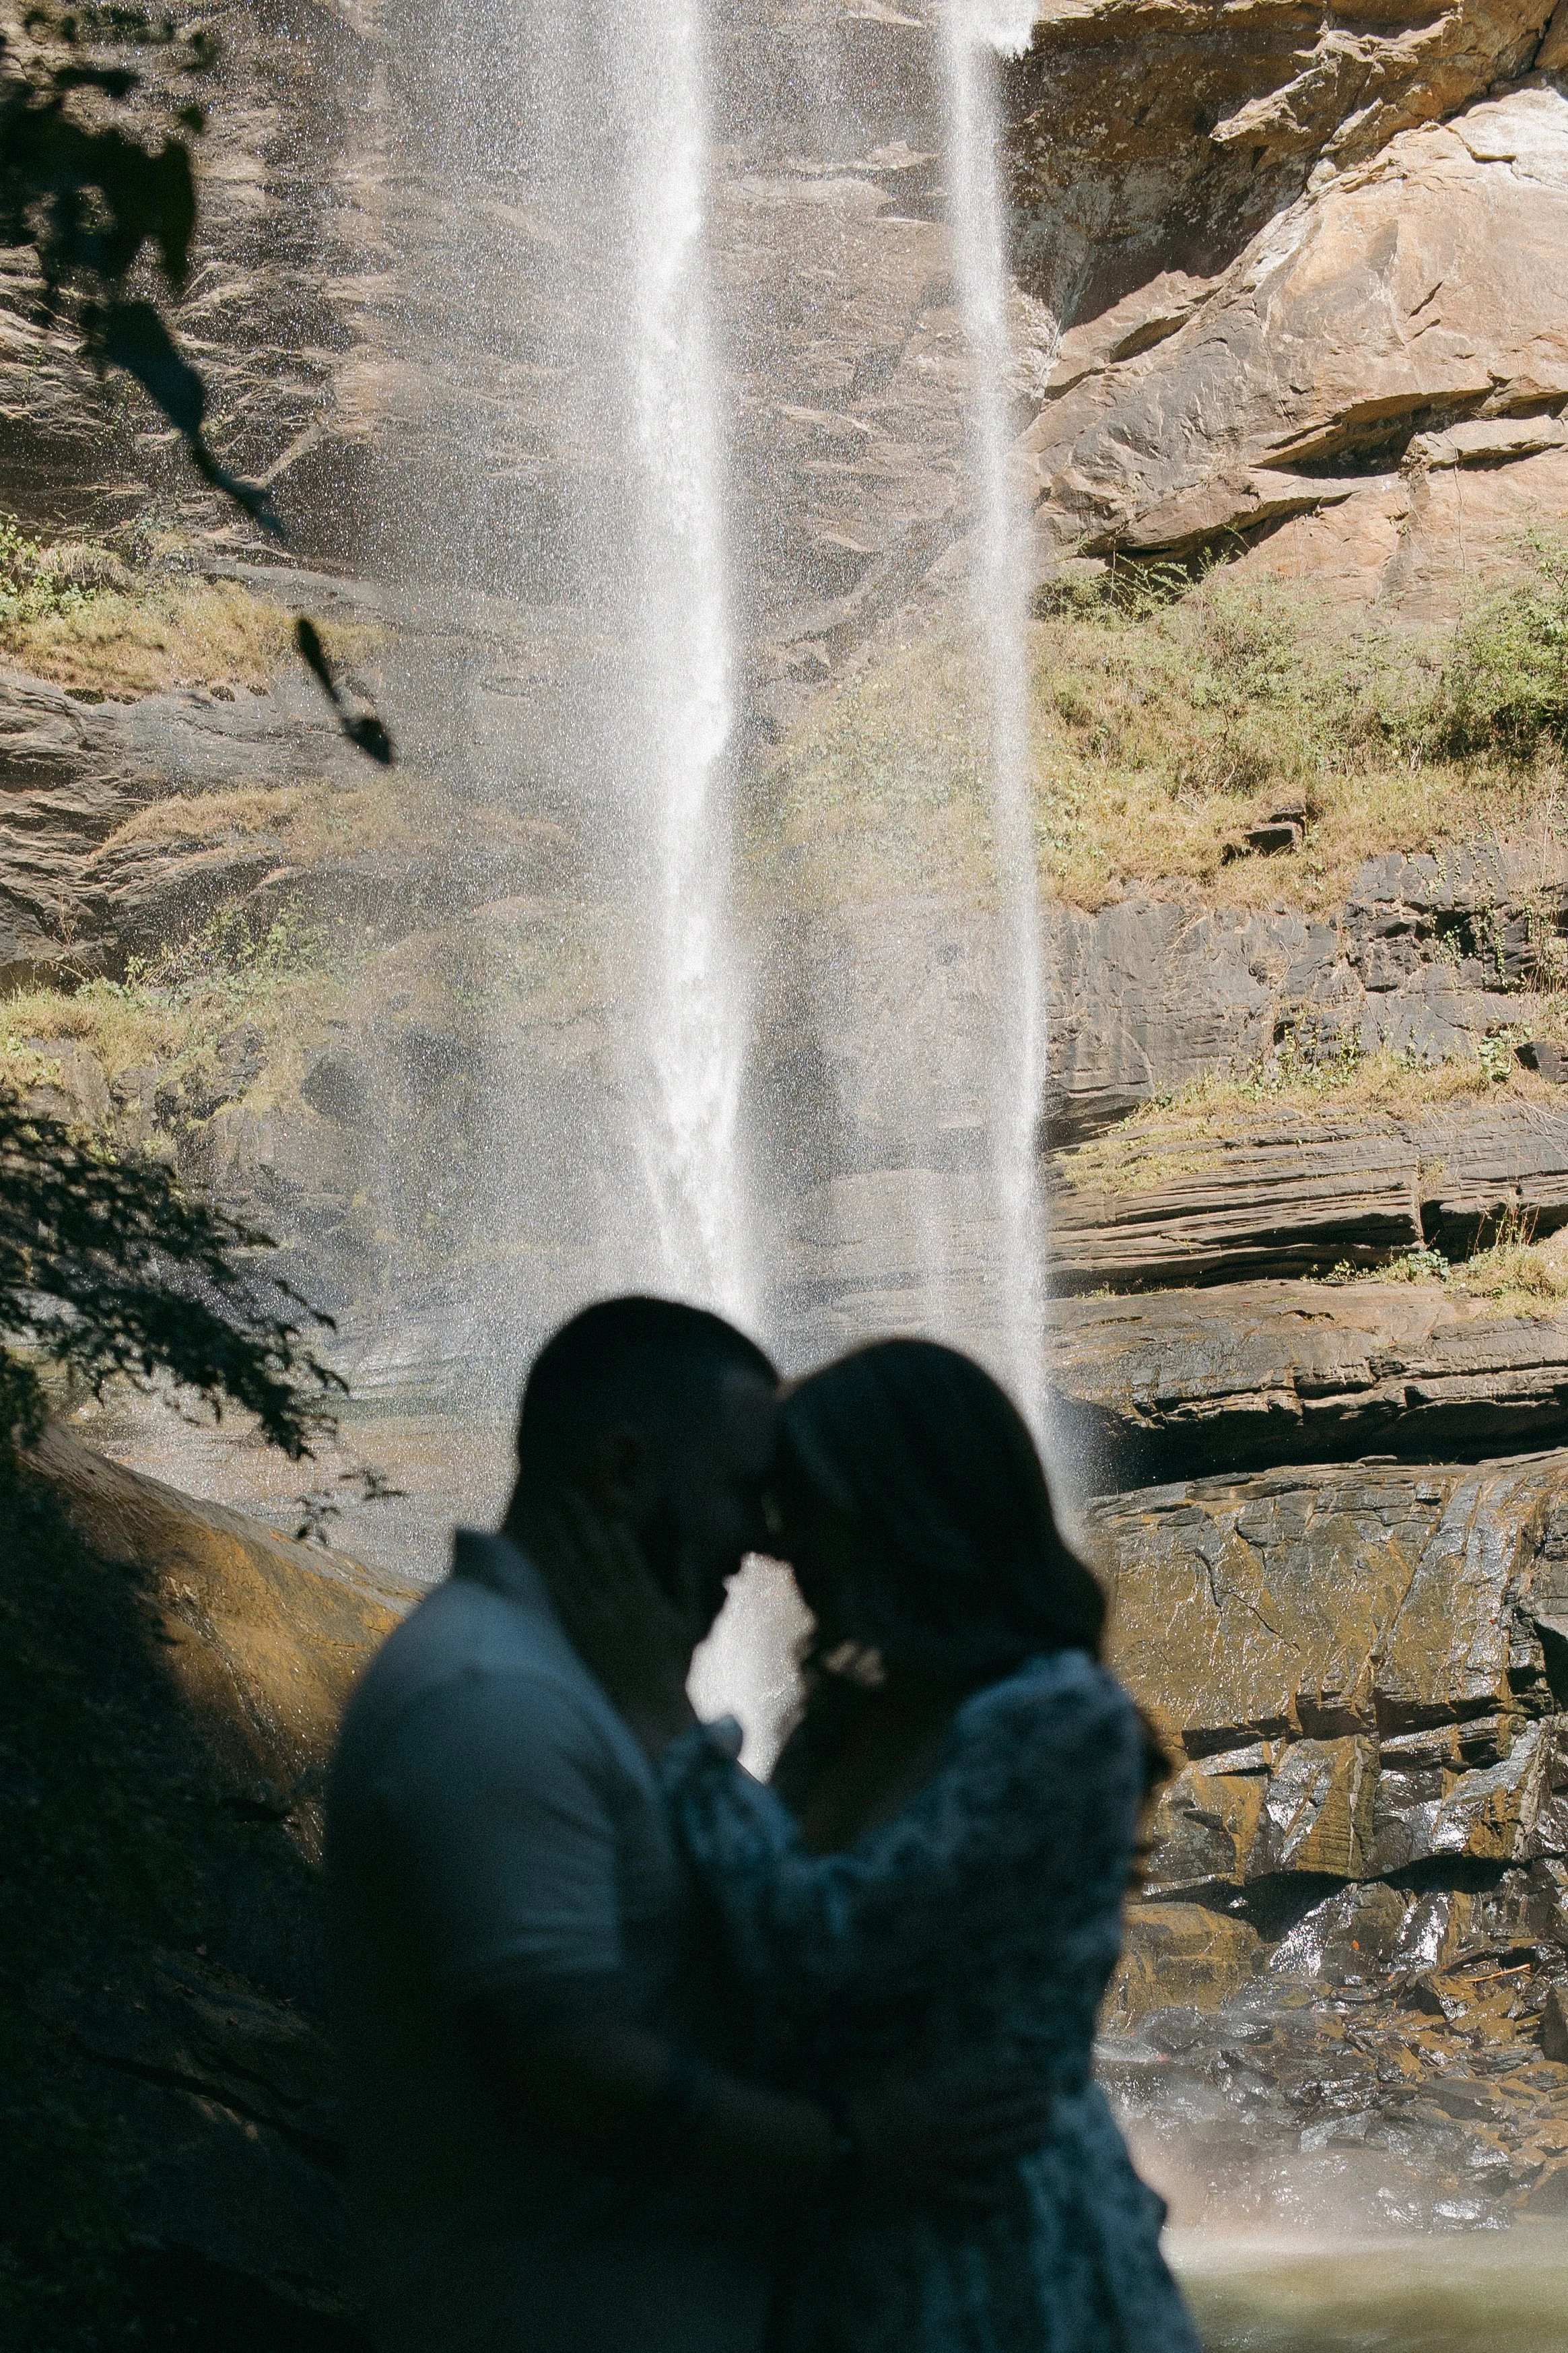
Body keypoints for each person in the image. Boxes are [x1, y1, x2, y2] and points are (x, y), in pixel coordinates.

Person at [326, 1298, 1052, 2353]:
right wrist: (856, 2153)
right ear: (624, 1473)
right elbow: (573, 2069)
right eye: (745, 1492)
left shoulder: (583, 1690)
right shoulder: (495, 1700)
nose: (765, 1543)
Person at [570, 1335, 1200, 2353]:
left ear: (903, 1503)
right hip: (849, 2252)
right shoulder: (844, 1718)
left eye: (806, 1505)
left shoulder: (1060, 1720)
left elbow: (825, 1944)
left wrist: (661, 1711)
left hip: (1012, 2267)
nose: (780, 1547)